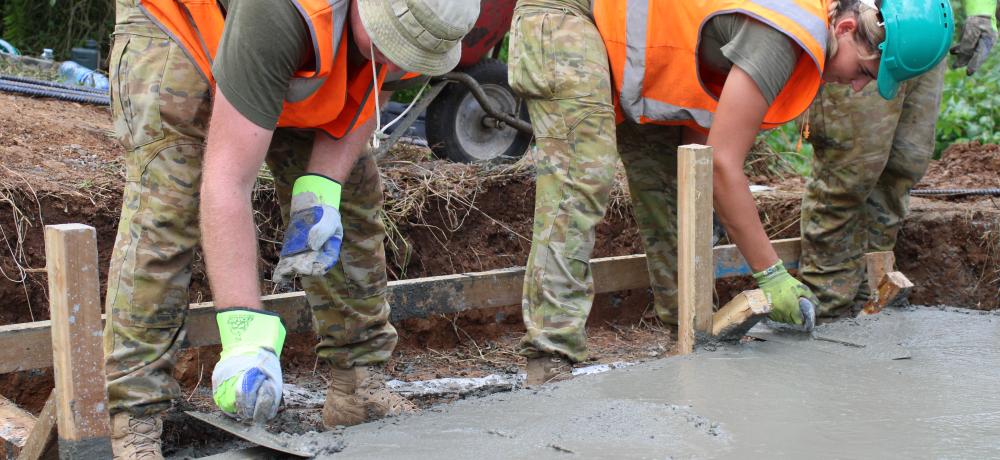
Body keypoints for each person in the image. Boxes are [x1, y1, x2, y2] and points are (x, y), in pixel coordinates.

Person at [103, 0, 479, 457]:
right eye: (391, 43)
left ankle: (356, 383)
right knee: (170, 200)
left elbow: (369, 87)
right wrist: (245, 339)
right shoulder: (279, 11)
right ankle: (136, 417)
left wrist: (321, 188)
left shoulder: (427, 21)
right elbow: (227, 178)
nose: (399, 64)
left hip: (297, 40)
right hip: (184, 20)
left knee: (352, 190)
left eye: (412, 54)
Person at [508, 0, 954, 385]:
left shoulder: (798, 33)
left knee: (678, 194)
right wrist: (772, 275)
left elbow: (704, 166)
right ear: (846, 28)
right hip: (567, 15)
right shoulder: (786, 32)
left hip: (629, 54)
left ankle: (685, 336)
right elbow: (724, 165)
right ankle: (551, 359)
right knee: (582, 175)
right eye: (864, 71)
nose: (858, 86)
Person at [801, 0, 997, 319]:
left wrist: (981, 10)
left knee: (904, 165)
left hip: (926, 21)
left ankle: (871, 296)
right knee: (850, 174)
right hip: (868, 22)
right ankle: (828, 307)